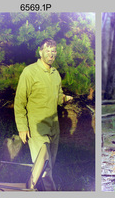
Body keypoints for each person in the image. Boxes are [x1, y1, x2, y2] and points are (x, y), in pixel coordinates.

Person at [14, 38, 73, 190]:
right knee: (44, 170)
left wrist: (64, 98)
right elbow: (20, 101)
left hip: (54, 128)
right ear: (40, 52)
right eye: (48, 51)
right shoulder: (29, 72)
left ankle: (37, 190)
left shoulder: (55, 74)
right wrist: (22, 127)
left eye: (54, 51)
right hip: (37, 129)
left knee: (49, 166)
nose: (51, 55)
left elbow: (57, 96)